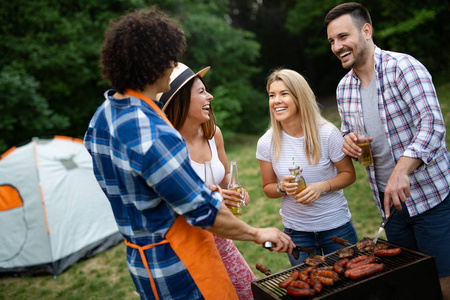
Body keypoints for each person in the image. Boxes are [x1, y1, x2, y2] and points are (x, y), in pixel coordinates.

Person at [84, 8, 294, 300]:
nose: (173, 65)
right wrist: (257, 233)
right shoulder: (155, 132)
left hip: (143, 266)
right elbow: (203, 212)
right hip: (182, 266)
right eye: (171, 58)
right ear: (155, 63)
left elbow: (140, 188)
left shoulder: (100, 119)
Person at [324, 2, 450, 299]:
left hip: (430, 198)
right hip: (389, 204)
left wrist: (401, 170)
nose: (336, 46)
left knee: (443, 281)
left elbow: (432, 125)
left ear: (366, 31)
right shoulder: (344, 88)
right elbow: (347, 129)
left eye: (343, 36)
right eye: (331, 41)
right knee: (412, 279)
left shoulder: (403, 67)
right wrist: (348, 141)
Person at [159, 62, 256, 300]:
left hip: (222, 236)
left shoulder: (214, 134)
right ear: (181, 100)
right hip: (192, 246)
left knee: (249, 291)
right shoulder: (169, 147)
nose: (209, 96)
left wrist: (236, 190)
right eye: (201, 91)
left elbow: (224, 177)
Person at [256, 68, 358, 265]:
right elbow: (268, 188)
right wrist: (281, 188)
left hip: (336, 227)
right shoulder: (266, 142)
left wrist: (321, 186)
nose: (276, 100)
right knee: (310, 291)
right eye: (272, 95)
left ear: (299, 97)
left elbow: (348, 174)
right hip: (297, 233)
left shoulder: (327, 134)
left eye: (284, 94)